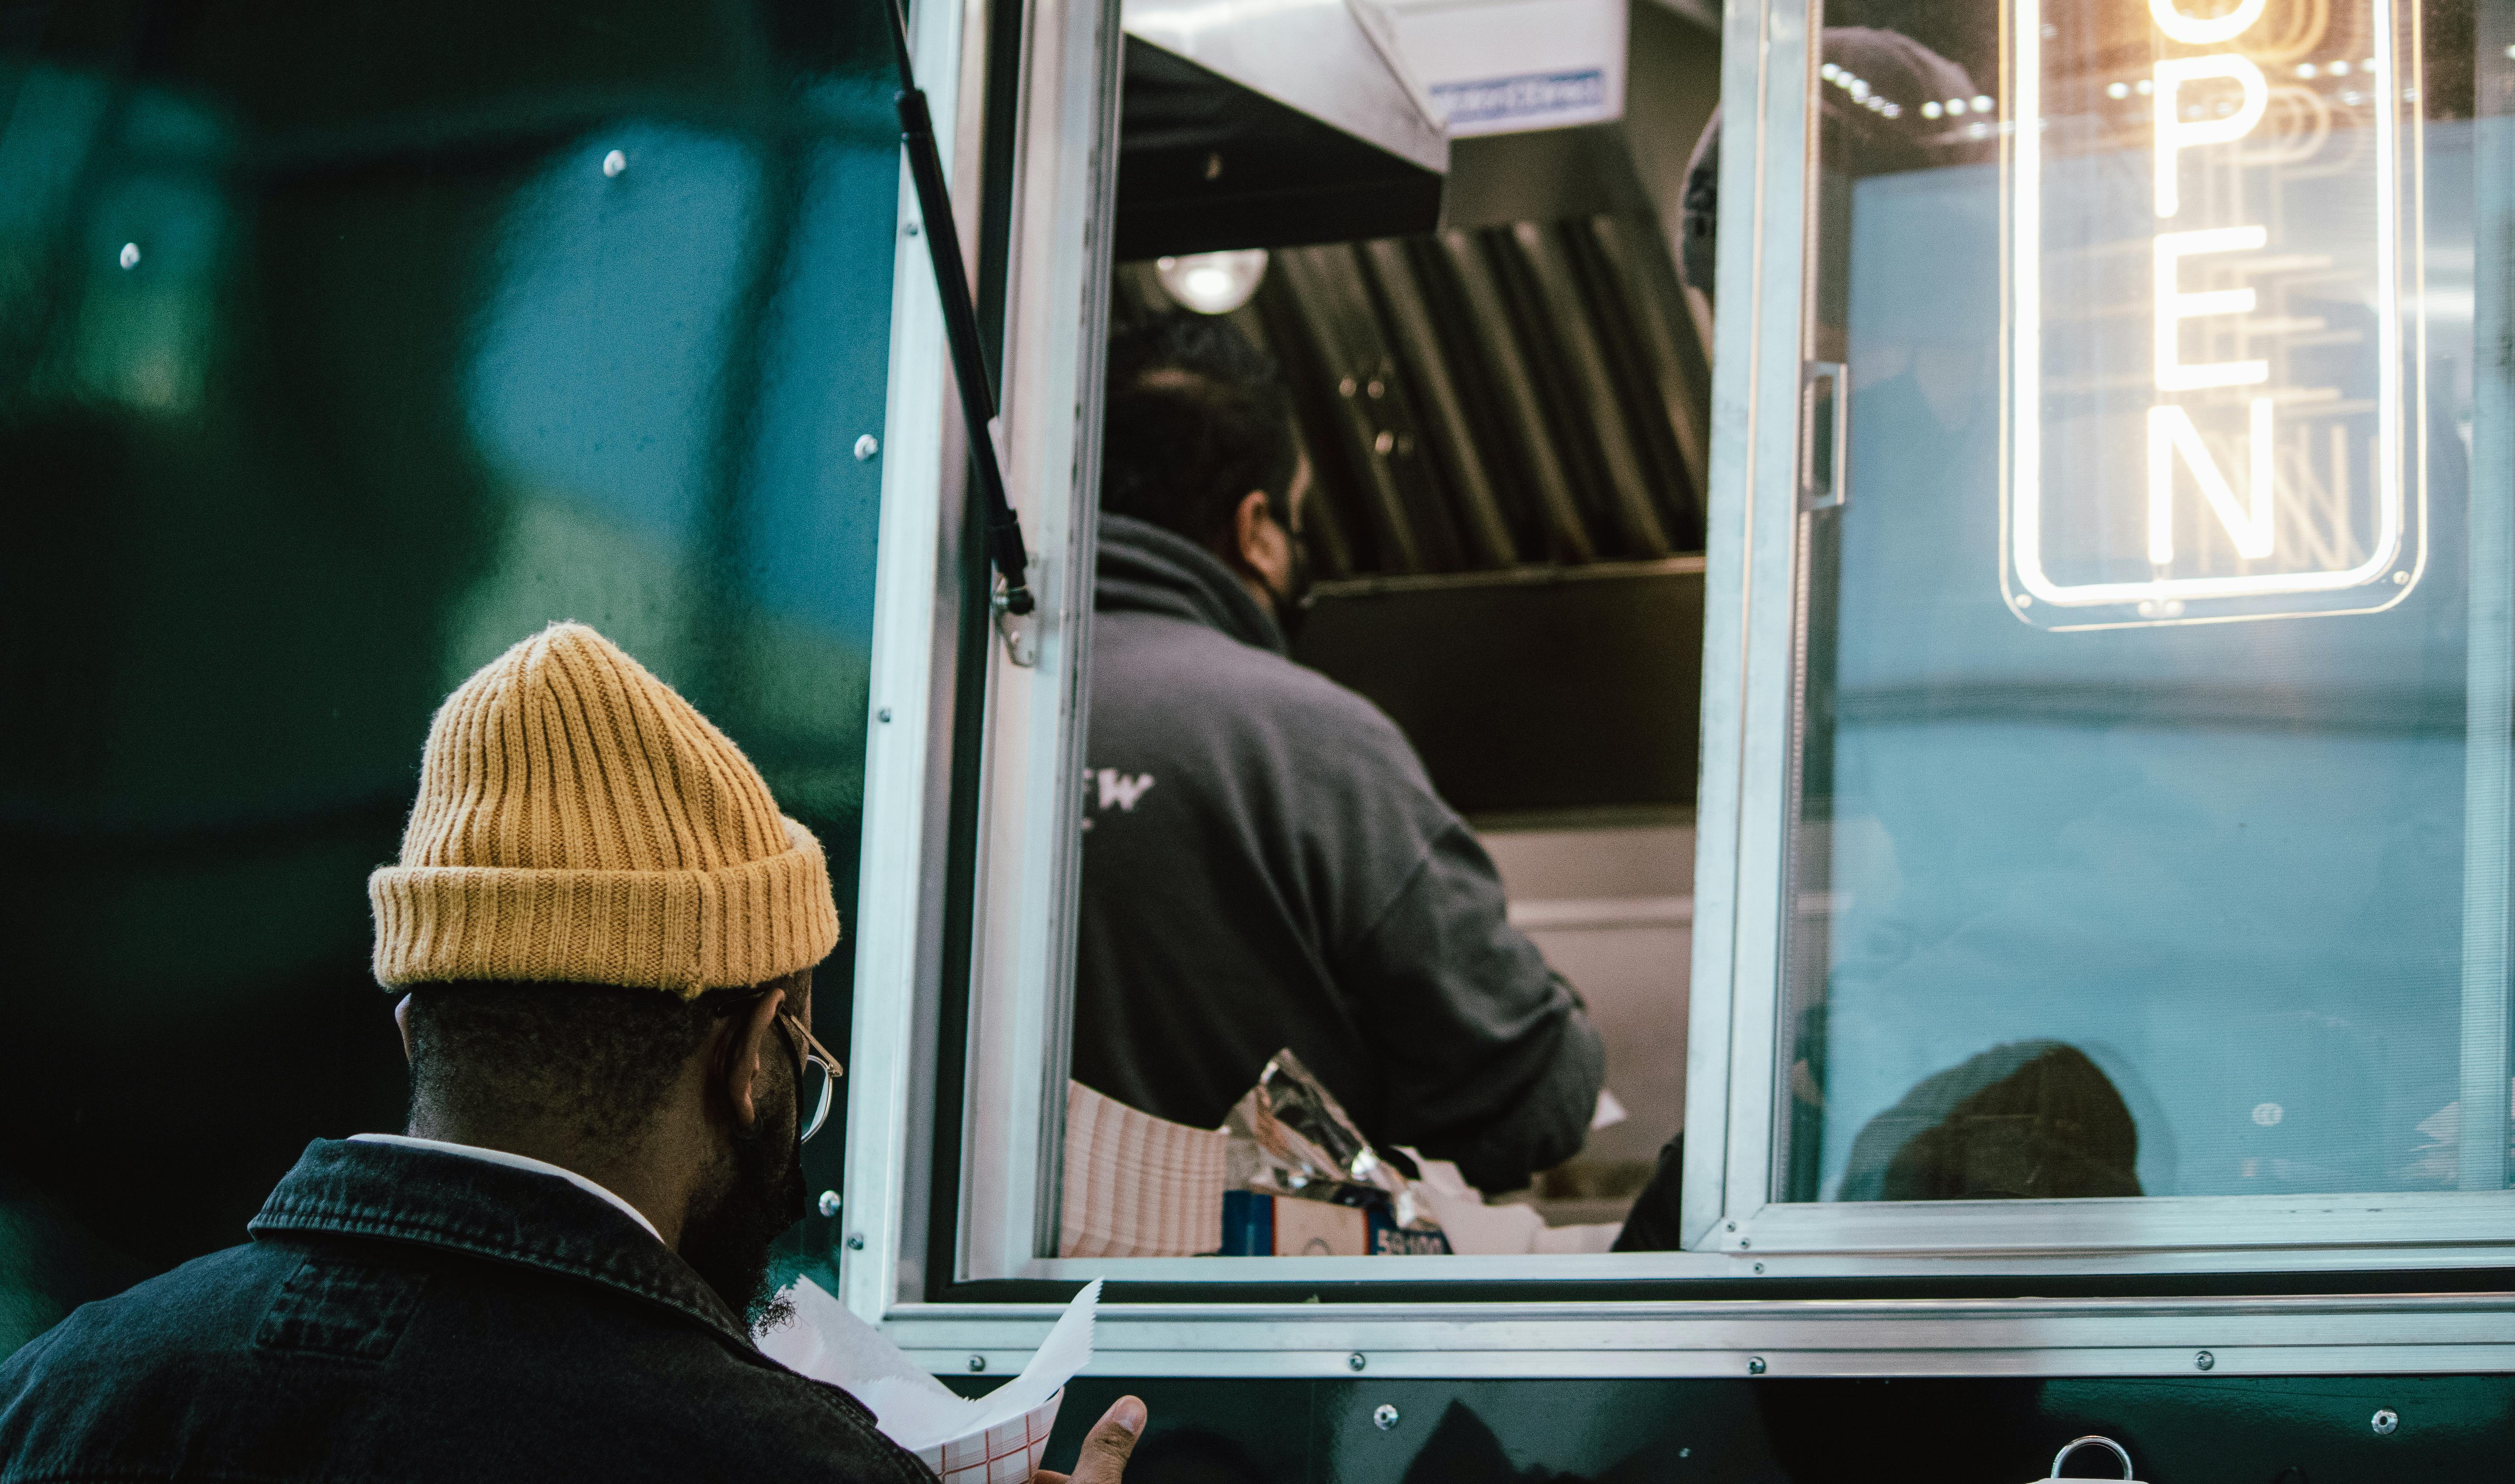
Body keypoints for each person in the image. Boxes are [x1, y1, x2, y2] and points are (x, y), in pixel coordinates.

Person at [0, 622, 1144, 1484]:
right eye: (798, 1050)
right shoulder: (793, 1464)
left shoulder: (60, 1396)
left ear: (413, 1030)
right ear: (748, 1058)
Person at [1073, 315, 1605, 1195]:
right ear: (1257, 528)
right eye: (1300, 515)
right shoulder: (1311, 743)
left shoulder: (939, 725)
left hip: (943, 1322)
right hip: (1263, 1321)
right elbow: (1524, 1095)